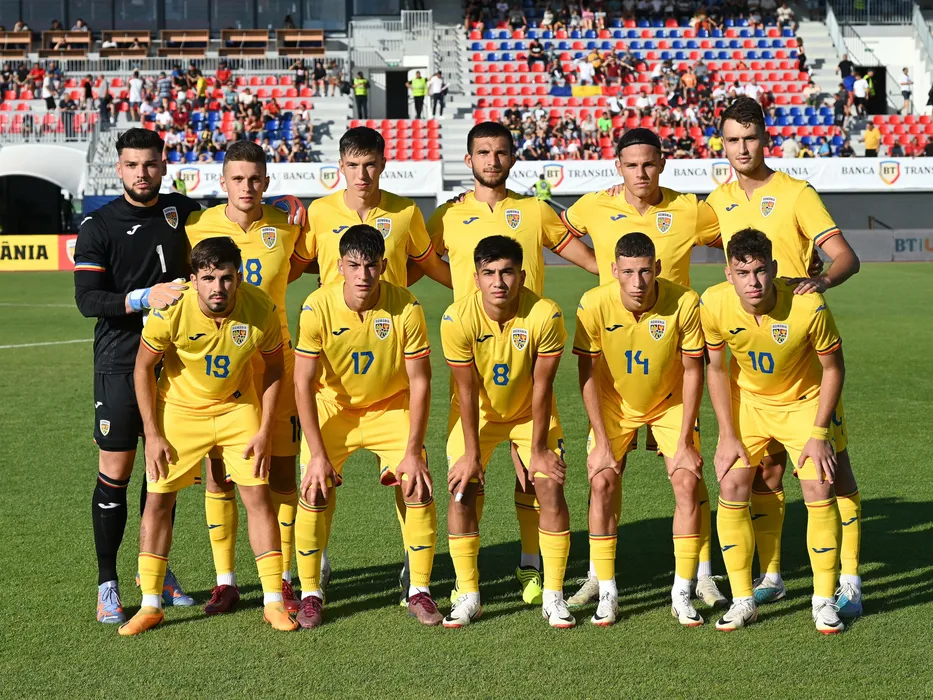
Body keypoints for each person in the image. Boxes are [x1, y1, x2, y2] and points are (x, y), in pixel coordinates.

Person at [425, 122, 597, 606]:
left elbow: (589, 260)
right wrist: (463, 288)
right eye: (483, 152)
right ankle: (465, 582)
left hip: (529, 351)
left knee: (533, 477)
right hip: (474, 349)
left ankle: (530, 563)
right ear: (469, 160)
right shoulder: (447, 216)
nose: (492, 160)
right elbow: (422, 259)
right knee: (468, 480)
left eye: (501, 152)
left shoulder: (535, 211)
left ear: (513, 158)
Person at [706, 97, 863, 616]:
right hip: (755, 364)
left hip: (803, 356)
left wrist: (820, 281)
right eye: (733, 140)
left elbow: (845, 256)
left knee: (832, 470)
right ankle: (771, 576)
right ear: (722, 144)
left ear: (764, 139)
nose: (742, 148)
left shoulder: (796, 193)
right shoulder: (718, 200)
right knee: (765, 474)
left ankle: (849, 579)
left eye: (750, 138)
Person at [559, 128, 726, 610]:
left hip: (673, 353)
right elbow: (556, 233)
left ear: (663, 164)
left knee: (689, 474)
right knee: (604, 475)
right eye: (631, 165)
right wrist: (600, 271)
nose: (641, 173)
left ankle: (702, 575)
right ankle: (598, 575)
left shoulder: (689, 208)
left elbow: (735, 232)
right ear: (618, 167)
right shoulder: (595, 205)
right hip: (619, 360)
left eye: (649, 164)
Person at [119, 236, 297, 636]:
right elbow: (142, 368)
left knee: (257, 496)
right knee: (158, 500)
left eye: (226, 278)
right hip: (179, 411)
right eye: (208, 278)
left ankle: (272, 601)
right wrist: (153, 434)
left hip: (237, 408)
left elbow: (274, 368)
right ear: (194, 279)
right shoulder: (171, 309)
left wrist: (265, 429)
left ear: (238, 278)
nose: (219, 287)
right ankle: (150, 605)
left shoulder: (260, 309)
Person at [73, 128, 201, 624]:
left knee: (162, 473)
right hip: (121, 362)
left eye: (149, 164)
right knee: (116, 472)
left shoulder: (183, 211)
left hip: (176, 363)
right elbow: (88, 300)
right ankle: (107, 583)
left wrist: (286, 205)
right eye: (132, 165)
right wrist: (145, 297)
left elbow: (238, 214)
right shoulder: (99, 225)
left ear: (163, 165)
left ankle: (156, 573)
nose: (141, 173)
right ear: (119, 169)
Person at [184, 141, 312, 614]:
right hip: (221, 367)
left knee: (281, 473)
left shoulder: (288, 225)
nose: (247, 186)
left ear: (267, 182)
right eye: (238, 178)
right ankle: (226, 581)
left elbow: (305, 268)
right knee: (219, 474)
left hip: (277, 363)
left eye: (255, 178)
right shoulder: (196, 227)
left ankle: (284, 578)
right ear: (223, 182)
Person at [293, 225, 442, 629]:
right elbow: (302, 383)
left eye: (371, 266)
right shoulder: (316, 306)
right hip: (334, 408)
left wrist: (413, 451)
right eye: (354, 265)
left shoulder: (406, 306)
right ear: (339, 266)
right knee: (313, 488)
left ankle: (419, 589)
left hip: (390, 408)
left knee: (417, 484)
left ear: (384, 266)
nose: (363, 275)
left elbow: (421, 381)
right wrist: (317, 455)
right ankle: (310, 593)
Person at [700, 228, 846, 634]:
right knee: (731, 484)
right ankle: (743, 600)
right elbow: (716, 369)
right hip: (749, 404)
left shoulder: (808, 305)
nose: (753, 282)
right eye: (743, 272)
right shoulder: (712, 303)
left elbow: (834, 368)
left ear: (774, 268)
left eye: (761, 271)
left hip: (803, 404)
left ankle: (823, 601)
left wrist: (819, 433)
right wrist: (727, 434)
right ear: (729, 274)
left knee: (818, 485)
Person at [574, 232, 707, 627]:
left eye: (645, 271)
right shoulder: (593, 303)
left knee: (687, 481)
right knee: (602, 481)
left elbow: (693, 370)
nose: (637, 282)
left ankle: (682, 592)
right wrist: (601, 440)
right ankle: (607, 591)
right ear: (614, 271)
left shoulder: (684, 302)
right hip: (614, 403)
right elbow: (587, 373)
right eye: (628, 272)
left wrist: (685, 439)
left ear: (658, 269)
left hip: (670, 401)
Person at [441, 235, 574, 629]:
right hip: (478, 416)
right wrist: (471, 455)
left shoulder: (545, 314)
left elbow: (543, 386)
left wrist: (537, 449)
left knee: (549, 486)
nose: (498, 282)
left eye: (507, 272)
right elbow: (466, 392)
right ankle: (469, 595)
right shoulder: (457, 318)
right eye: (489, 273)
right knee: (461, 491)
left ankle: (553, 595)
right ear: (476, 278)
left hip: (530, 412)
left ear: (522, 275)